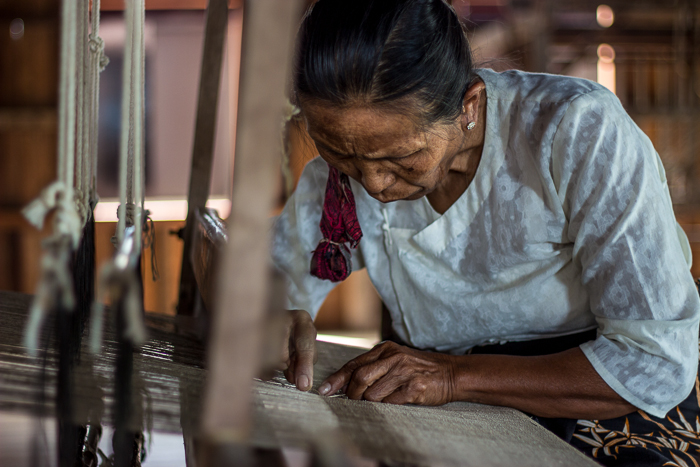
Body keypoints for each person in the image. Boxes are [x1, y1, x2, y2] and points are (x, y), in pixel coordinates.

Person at [271, 0, 700, 464]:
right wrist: (268, 315)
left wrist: (456, 377)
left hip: (599, 401)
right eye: (340, 154)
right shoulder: (337, 181)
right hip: (450, 405)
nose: (372, 183)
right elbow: (271, 278)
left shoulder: (577, 131)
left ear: (468, 106)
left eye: (400, 158)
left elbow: (654, 361)